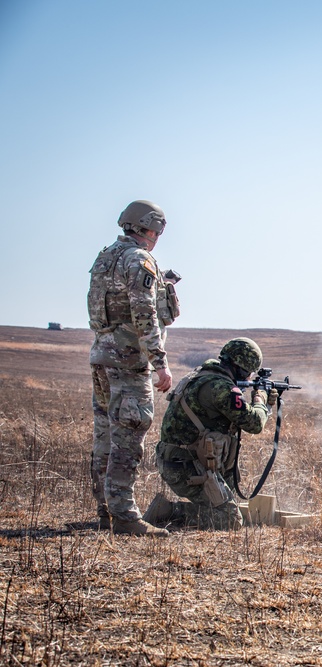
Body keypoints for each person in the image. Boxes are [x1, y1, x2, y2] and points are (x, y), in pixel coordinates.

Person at [88, 200, 180, 536]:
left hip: (102, 356)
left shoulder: (106, 256)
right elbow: (145, 315)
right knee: (127, 438)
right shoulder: (139, 259)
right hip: (129, 363)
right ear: (150, 227)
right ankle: (124, 516)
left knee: (105, 438)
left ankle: (105, 512)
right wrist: (161, 364)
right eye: (158, 230)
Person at [143, 338, 276, 530]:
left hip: (178, 460)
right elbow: (254, 424)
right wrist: (261, 399)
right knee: (230, 520)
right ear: (239, 367)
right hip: (186, 466)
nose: (248, 378)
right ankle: (169, 511)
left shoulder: (201, 375)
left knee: (228, 491)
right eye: (248, 373)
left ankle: (206, 505)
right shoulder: (221, 387)